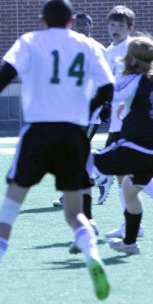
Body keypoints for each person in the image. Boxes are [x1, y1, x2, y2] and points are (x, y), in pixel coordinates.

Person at [0, 0, 115, 304]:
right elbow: (108, 89)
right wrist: (86, 108)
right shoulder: (89, 46)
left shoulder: (30, 40)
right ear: (73, 22)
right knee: (75, 214)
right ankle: (92, 257)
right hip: (73, 134)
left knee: (8, 211)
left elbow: (5, 74)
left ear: (42, 20)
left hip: (38, 132)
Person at [94, 35, 153, 254]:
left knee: (88, 159)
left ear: (132, 60)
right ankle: (130, 243)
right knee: (129, 189)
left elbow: (112, 94)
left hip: (137, 147)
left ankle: (96, 178)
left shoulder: (136, 78)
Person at [52, 11, 105, 213]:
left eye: (85, 24)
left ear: (92, 27)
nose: (81, 27)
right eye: (78, 24)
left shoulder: (99, 49)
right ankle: (97, 177)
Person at [95, 5, 136, 207]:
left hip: (128, 114)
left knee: (116, 164)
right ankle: (131, 222)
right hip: (116, 114)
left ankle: (101, 176)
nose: (115, 28)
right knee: (123, 170)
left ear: (130, 27)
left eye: (120, 25)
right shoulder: (109, 50)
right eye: (112, 24)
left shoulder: (132, 48)